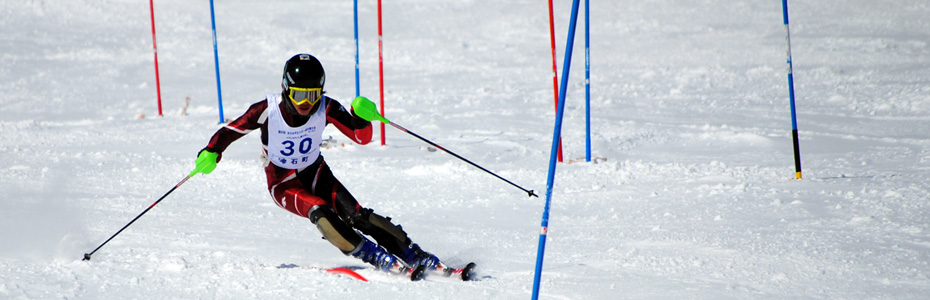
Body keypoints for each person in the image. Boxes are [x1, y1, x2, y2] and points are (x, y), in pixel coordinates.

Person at [190, 53, 440, 272]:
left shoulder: (325, 107)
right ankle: (373, 255)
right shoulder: (267, 110)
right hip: (283, 183)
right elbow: (230, 131)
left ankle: (413, 254)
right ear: (287, 89)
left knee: (357, 215)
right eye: (299, 95)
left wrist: (361, 118)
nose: (306, 103)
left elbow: (360, 138)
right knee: (320, 212)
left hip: (315, 171)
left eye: (312, 95)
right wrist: (211, 151)